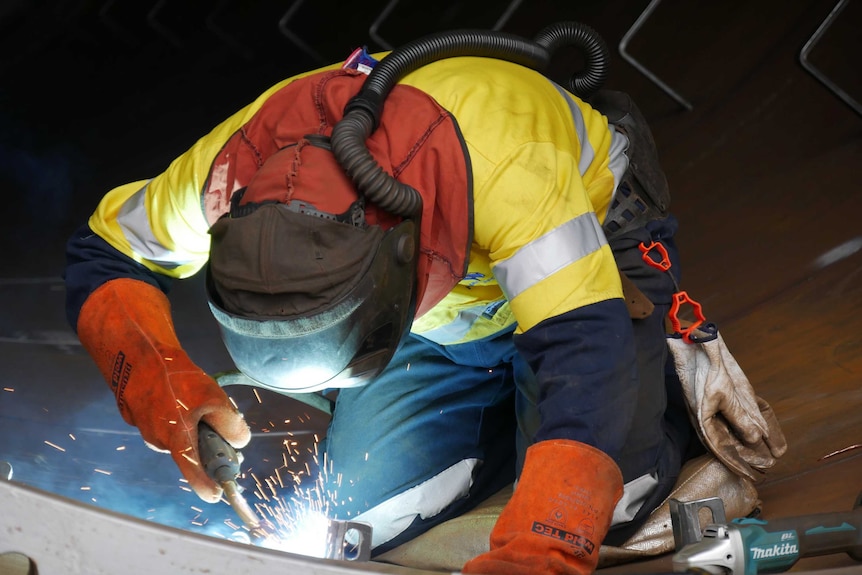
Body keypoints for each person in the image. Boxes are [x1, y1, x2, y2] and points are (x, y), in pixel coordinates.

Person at [64, 24, 785, 575]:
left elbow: (581, 344)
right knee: (362, 521)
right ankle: (511, 411)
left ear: (396, 264)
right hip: (447, 316)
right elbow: (103, 252)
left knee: (608, 502)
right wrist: (162, 379)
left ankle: (656, 390)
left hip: (593, 261)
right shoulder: (232, 166)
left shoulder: (505, 165)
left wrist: (540, 545)